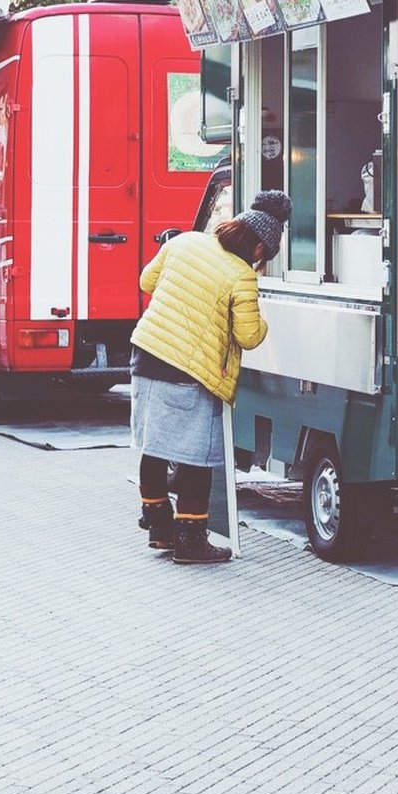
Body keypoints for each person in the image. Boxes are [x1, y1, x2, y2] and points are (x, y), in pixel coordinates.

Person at [129, 190, 290, 564]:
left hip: (147, 354)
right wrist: (264, 320)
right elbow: (249, 335)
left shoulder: (184, 242)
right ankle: (190, 540)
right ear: (260, 248)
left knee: (155, 445)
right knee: (194, 457)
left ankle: (158, 528)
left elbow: (146, 282)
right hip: (189, 370)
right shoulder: (242, 277)